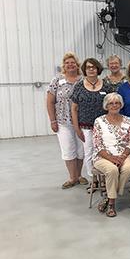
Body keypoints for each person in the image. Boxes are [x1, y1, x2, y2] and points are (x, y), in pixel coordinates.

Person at [70, 58, 113, 185]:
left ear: (98, 69)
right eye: (88, 67)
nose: (91, 69)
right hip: (86, 126)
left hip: (104, 126)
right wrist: (76, 128)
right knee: (89, 151)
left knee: (104, 151)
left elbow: (113, 105)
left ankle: (105, 178)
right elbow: (74, 108)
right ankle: (93, 179)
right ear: (84, 70)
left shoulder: (106, 85)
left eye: (93, 67)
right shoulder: (78, 86)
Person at [92, 93, 130, 218]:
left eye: (117, 103)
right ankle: (111, 203)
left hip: (123, 155)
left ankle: (109, 195)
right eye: (111, 103)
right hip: (103, 156)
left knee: (128, 169)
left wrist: (122, 157)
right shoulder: (99, 121)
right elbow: (97, 144)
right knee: (112, 169)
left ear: (121, 105)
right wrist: (111, 158)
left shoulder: (128, 120)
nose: (114, 105)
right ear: (106, 105)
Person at [47, 52, 84, 189]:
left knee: (81, 150)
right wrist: (52, 121)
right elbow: (50, 102)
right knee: (68, 149)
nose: (70, 65)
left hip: (81, 121)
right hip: (63, 121)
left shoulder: (83, 80)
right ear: (64, 65)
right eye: (67, 63)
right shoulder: (57, 80)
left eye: (72, 62)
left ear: (77, 65)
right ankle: (72, 177)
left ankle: (79, 175)